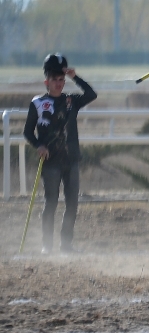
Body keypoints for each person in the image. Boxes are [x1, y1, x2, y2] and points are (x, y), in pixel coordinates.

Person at [22, 54, 98, 254]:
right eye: (55, 79)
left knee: (72, 203)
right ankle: (47, 244)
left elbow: (91, 94)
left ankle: (66, 244)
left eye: (62, 79)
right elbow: (27, 132)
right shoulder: (37, 103)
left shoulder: (71, 101)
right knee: (52, 202)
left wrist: (75, 77)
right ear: (47, 81)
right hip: (50, 162)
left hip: (71, 159)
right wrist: (38, 145)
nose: (59, 83)